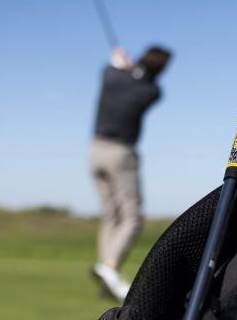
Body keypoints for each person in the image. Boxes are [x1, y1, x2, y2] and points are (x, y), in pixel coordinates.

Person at [90, 45, 172, 302]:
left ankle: (106, 276)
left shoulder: (111, 74)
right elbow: (142, 83)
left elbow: (112, 71)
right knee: (133, 217)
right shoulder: (152, 91)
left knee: (112, 216)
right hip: (121, 153)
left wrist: (121, 65)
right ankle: (109, 268)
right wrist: (130, 70)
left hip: (93, 151)